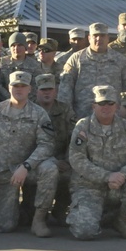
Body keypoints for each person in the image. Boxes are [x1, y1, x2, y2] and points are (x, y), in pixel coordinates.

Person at [0, 71, 57, 237]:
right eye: (15, 86)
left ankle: (38, 219)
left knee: (50, 169)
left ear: (30, 89)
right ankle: (22, 211)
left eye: (23, 86)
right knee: (5, 225)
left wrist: (27, 166)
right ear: (9, 87)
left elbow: (47, 145)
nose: (19, 89)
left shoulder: (39, 113)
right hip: (3, 173)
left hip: (29, 169)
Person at [67, 85, 126, 241]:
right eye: (101, 103)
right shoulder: (83, 126)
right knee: (85, 232)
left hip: (119, 184)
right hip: (89, 187)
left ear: (116, 106)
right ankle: (99, 217)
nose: (105, 107)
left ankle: (120, 220)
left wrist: (123, 175)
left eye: (110, 103)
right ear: (94, 106)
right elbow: (76, 158)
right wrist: (107, 176)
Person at [59, 22, 126, 119]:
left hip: (113, 120)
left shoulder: (120, 60)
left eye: (102, 36)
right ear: (89, 38)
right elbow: (65, 90)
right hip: (81, 117)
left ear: (108, 38)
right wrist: (69, 116)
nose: (99, 39)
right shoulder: (76, 59)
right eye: (95, 35)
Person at [34, 73, 76, 221]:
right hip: (35, 162)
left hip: (62, 159)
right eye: (43, 89)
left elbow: (73, 139)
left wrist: (67, 160)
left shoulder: (65, 110)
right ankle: (33, 209)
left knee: (71, 175)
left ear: (56, 90)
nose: (47, 93)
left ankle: (60, 209)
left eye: (50, 89)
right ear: (36, 91)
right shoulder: (29, 110)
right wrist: (50, 161)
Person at [0, 33, 43, 101]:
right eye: (13, 45)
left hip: (28, 104)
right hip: (4, 103)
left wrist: (23, 99)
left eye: (20, 45)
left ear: (25, 47)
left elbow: (37, 87)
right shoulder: (0, 63)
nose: (16, 48)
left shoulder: (35, 65)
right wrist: (11, 98)